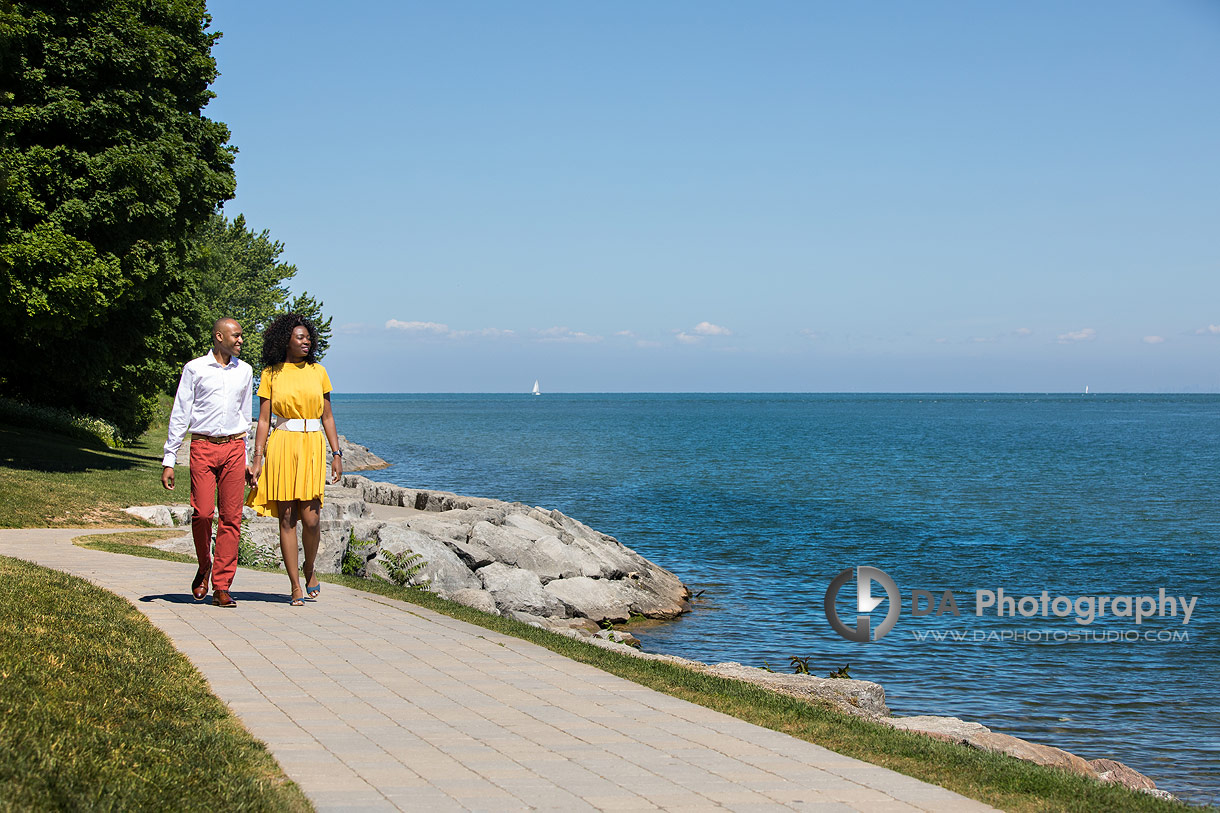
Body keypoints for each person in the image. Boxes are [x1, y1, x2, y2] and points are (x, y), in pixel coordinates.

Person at [246, 313, 343, 606]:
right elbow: (264, 420)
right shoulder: (271, 373)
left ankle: (309, 567)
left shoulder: (319, 371)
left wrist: (336, 454)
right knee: (287, 517)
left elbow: (327, 415)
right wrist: (257, 458)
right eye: (299, 337)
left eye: (308, 337)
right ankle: (294, 586)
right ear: (285, 340)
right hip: (283, 444)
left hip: (312, 445)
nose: (306, 341)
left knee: (312, 519)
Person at [162, 317, 253, 608]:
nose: (240, 341)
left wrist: (249, 459)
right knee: (202, 513)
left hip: (235, 448)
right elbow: (180, 413)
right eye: (236, 336)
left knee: (231, 518)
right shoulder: (195, 369)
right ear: (219, 336)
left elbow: (245, 416)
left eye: (241, 336)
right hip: (202, 445)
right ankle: (204, 565)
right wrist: (170, 458)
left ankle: (222, 586)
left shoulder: (246, 371)